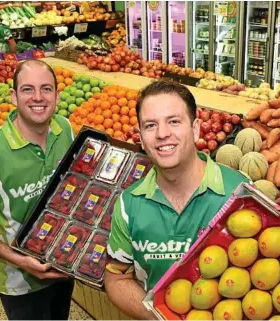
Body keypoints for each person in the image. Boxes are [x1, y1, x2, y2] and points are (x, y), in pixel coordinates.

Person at [104, 80, 249, 319]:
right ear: (140, 137)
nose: (162, 134)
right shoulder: (128, 204)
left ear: (195, 129)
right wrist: (160, 317)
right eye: (151, 125)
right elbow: (117, 278)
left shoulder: (240, 192)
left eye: (173, 121)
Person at [0, 59, 76, 320]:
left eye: (46, 89)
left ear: (57, 95)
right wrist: (20, 259)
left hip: (61, 266)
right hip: (19, 281)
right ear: (14, 96)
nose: (38, 97)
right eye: (28, 89)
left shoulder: (64, 130)